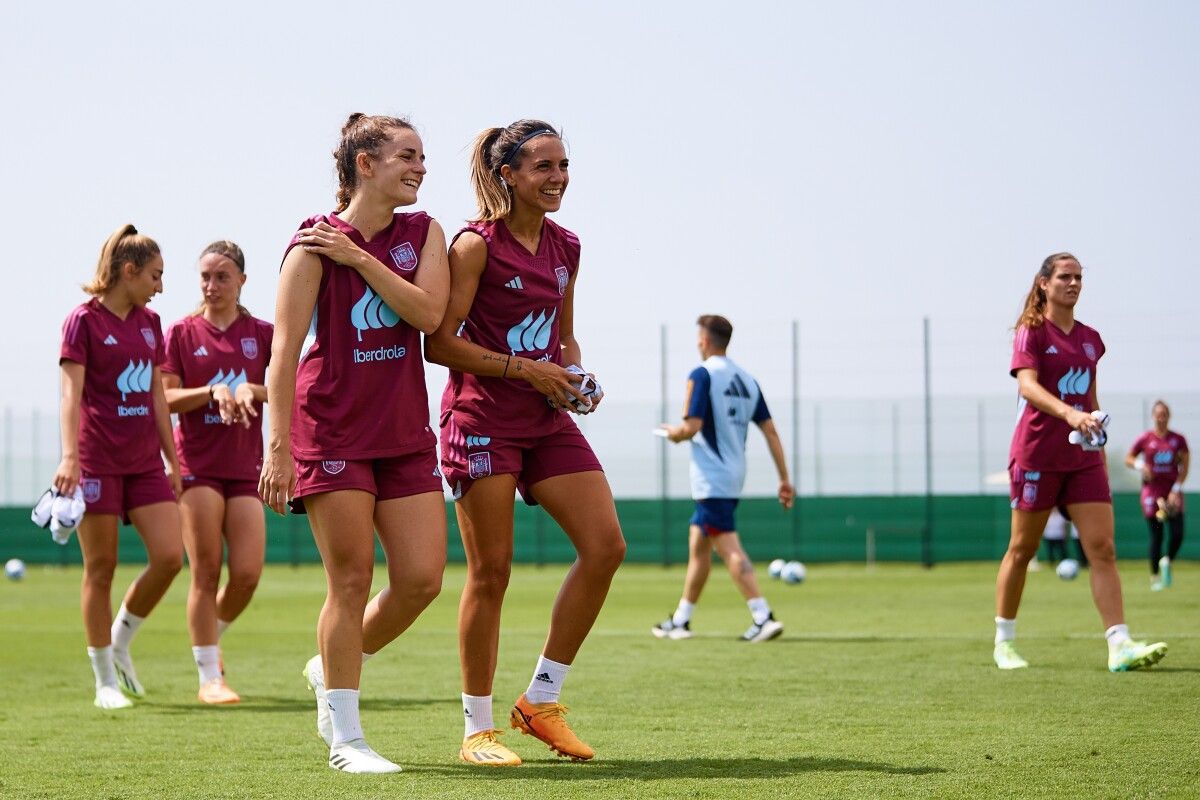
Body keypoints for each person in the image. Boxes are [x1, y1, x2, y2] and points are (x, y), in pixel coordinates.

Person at [425, 119, 626, 767]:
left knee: (605, 547)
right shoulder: (473, 245)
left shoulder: (567, 246)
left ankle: (539, 700)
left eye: (563, 165)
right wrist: (523, 369)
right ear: (507, 174)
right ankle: (477, 730)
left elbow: (564, 338)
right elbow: (440, 342)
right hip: (480, 417)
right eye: (543, 166)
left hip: (545, 418)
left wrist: (574, 375)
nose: (558, 178)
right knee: (492, 572)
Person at [258, 113, 449, 773]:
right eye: (406, 155)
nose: (420, 166)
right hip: (331, 428)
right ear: (365, 164)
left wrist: (361, 258)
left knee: (422, 579)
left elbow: (428, 316)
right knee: (350, 579)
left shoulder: (424, 232)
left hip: (402, 433)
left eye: (422, 156)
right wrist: (276, 447)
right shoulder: (312, 243)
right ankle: (347, 739)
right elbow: (282, 353)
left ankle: (328, 664)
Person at [994, 252, 1167, 672]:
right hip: (1036, 454)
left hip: (1083, 458)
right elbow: (1028, 388)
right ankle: (1004, 641)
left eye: (1078, 277)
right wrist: (1069, 414)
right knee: (1023, 548)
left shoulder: (1091, 339)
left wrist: (1096, 434)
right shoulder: (1031, 333)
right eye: (1064, 277)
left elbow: (1089, 397)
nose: (1073, 284)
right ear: (1044, 284)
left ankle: (1119, 644)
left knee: (1103, 548)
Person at [54, 224, 183, 709]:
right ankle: (104, 679)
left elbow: (155, 395)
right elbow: (70, 395)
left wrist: (172, 459)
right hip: (95, 463)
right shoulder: (82, 321)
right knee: (101, 567)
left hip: (145, 463)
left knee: (171, 556)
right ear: (128, 272)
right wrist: (70, 457)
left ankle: (122, 639)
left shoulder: (151, 324)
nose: (160, 286)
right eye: (155, 275)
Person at [162, 241, 272, 704]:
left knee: (246, 573)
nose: (212, 285)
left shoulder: (263, 333)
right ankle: (210, 676)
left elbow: (293, 389)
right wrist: (210, 392)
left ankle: (209, 638)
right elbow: (163, 399)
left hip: (246, 468)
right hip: (197, 467)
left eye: (222, 276)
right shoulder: (182, 333)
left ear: (242, 280)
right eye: (205, 277)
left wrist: (253, 390)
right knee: (206, 571)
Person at [652, 315, 794, 643]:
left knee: (728, 546)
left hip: (712, 476)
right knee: (698, 544)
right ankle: (681, 619)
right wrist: (784, 478)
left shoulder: (701, 375)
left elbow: (692, 428)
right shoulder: (747, 379)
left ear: (704, 340)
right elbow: (770, 431)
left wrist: (673, 433)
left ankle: (763, 615)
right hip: (733, 473)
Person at [1125, 400, 1188, 590]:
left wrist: (1175, 490)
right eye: (1158, 414)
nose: (1161, 418)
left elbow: (1184, 466)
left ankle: (1167, 560)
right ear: (1153, 416)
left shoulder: (1178, 439)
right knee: (1157, 535)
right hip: (1151, 491)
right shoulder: (1145, 438)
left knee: (1177, 533)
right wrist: (1140, 465)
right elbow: (1129, 458)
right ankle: (1154, 576)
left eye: (1164, 414)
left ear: (1169, 416)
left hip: (1172, 491)